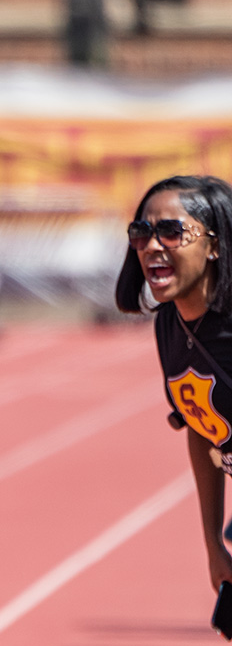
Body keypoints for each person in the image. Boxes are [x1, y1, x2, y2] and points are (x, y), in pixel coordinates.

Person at [115, 175, 232, 597]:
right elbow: (201, 428)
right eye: (141, 232)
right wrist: (212, 542)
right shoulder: (170, 324)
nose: (152, 245)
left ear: (214, 245)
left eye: (171, 230)